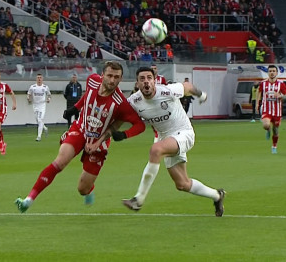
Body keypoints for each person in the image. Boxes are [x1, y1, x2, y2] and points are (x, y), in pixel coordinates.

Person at [15, 61, 146, 213]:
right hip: (80, 130)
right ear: (102, 75)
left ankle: (89, 190)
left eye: (116, 77)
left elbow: (140, 125)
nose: (112, 80)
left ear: (121, 79)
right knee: (60, 162)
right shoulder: (92, 80)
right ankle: (28, 200)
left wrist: (123, 135)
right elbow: (87, 96)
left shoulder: (121, 103)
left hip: (100, 143)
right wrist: (75, 108)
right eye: (109, 75)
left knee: (82, 189)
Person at [116, 67, 225, 217]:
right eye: (142, 79)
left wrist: (201, 95)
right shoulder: (134, 101)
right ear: (137, 83)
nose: (146, 81)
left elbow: (187, 87)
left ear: (154, 80)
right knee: (182, 184)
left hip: (184, 133)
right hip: (166, 139)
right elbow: (119, 117)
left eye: (149, 78)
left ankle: (138, 199)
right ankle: (217, 196)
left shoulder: (167, 91)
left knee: (156, 150)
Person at [256, 65, 286, 154]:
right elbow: (259, 92)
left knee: (276, 130)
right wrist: (257, 103)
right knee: (265, 125)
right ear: (268, 72)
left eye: (274, 71)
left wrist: (280, 95)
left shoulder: (281, 83)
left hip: (277, 111)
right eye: (270, 71)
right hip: (266, 109)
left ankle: (274, 146)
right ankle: (267, 129)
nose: (272, 72)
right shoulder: (263, 83)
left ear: (277, 73)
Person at [27, 73, 51, 141]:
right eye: (38, 78)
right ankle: (45, 128)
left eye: (40, 77)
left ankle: (39, 136)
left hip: (42, 105)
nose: (39, 79)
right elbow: (29, 94)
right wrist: (28, 98)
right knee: (37, 120)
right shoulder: (33, 87)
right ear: (36, 79)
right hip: (35, 105)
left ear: (42, 79)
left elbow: (49, 95)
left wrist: (48, 99)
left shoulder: (45, 87)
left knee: (40, 119)